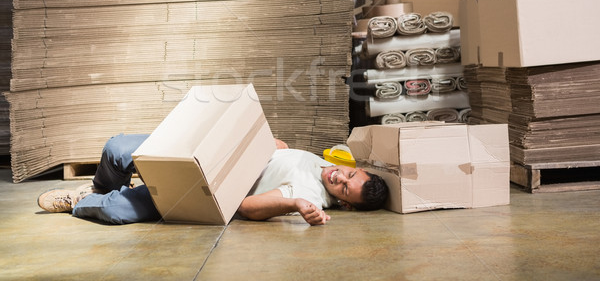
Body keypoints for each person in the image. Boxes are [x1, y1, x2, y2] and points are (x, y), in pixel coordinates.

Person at [37, 134, 389, 226]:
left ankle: (82, 202)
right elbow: (281, 152)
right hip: (208, 152)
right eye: (351, 174)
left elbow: (248, 207)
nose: (339, 176)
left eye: (344, 187)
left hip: (203, 186)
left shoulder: (310, 193)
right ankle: (99, 186)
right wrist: (275, 145)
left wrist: (294, 204)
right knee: (117, 149)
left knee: (118, 213)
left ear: (343, 203)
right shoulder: (327, 164)